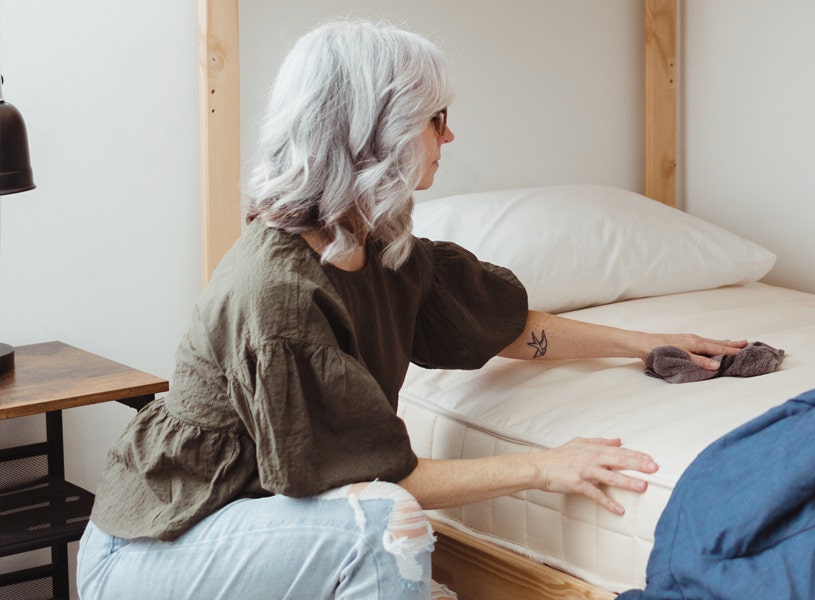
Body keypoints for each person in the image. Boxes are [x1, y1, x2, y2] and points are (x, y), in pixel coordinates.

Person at [76, 19, 745, 600]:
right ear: (378, 132)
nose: (448, 138)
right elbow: (375, 479)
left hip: (250, 525)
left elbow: (507, 329)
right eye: (436, 119)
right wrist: (549, 465)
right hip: (156, 547)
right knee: (388, 526)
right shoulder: (276, 292)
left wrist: (650, 342)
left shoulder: (378, 245)